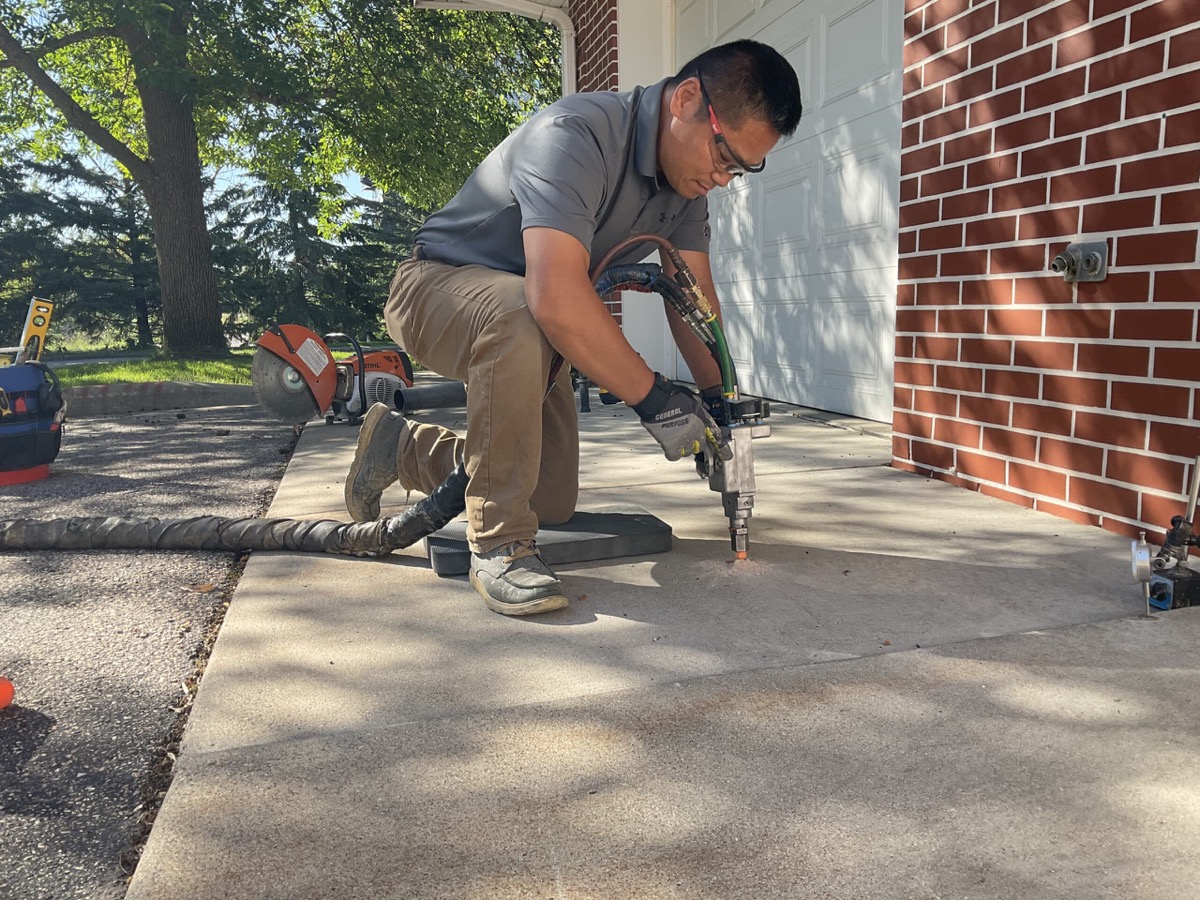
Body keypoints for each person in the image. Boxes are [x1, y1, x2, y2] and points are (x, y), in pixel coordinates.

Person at [346, 39, 802, 617]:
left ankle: (400, 446)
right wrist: (656, 399)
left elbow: (694, 299)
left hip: (528, 330)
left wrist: (720, 405)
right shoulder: (575, 135)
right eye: (724, 156)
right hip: (436, 289)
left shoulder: (686, 185)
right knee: (519, 310)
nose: (724, 178)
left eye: (741, 169)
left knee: (549, 496)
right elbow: (555, 297)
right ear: (687, 99)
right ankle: (499, 543)